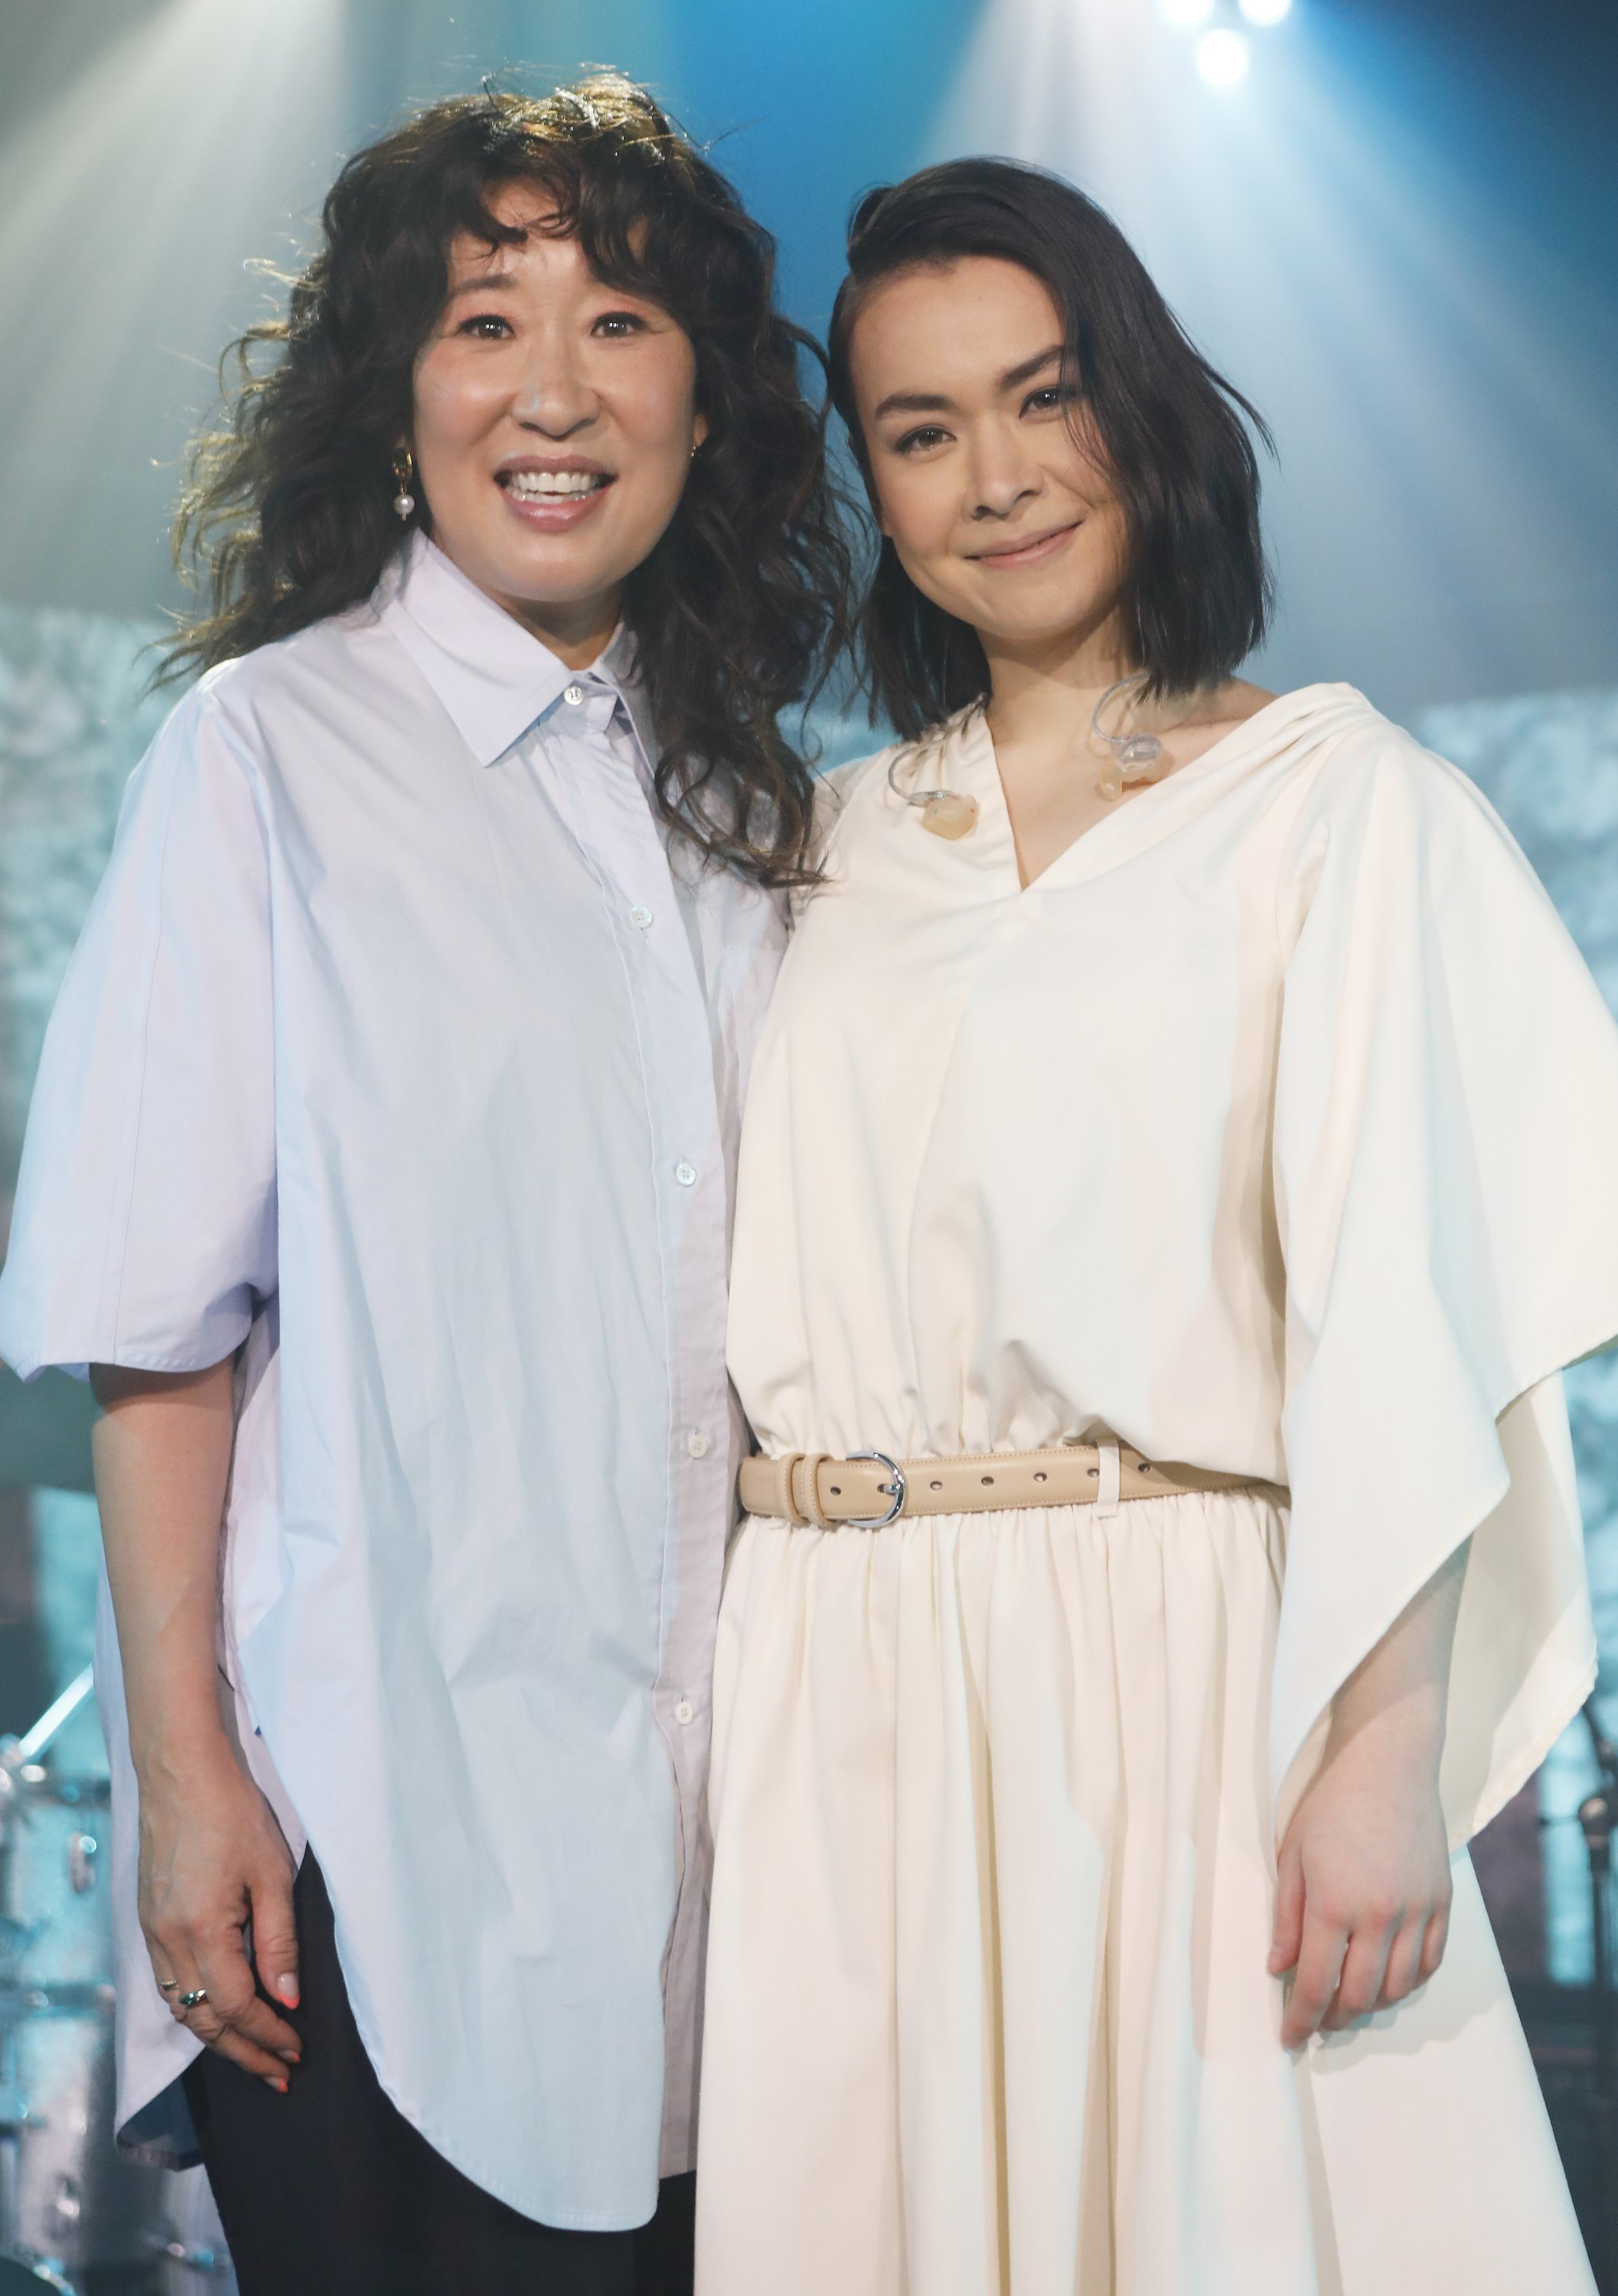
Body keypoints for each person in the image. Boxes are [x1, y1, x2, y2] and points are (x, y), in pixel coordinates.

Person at [694, 158, 1618, 2295]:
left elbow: (1411, 1315)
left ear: (1143, 408)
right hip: (833, 1683)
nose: (994, 476)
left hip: (1187, 1679)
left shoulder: (1330, 803)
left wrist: (1382, 1764)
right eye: (920, 433)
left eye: (1042, 396)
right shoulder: (804, 850)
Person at [0, 75, 847, 2296]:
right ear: (396, 396)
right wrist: (189, 1785)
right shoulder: (266, 754)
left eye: (624, 323)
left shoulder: (766, 808)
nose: (552, 393)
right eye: (485, 321)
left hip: (729, 1857)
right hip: (370, 1845)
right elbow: (155, 1328)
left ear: (706, 404)